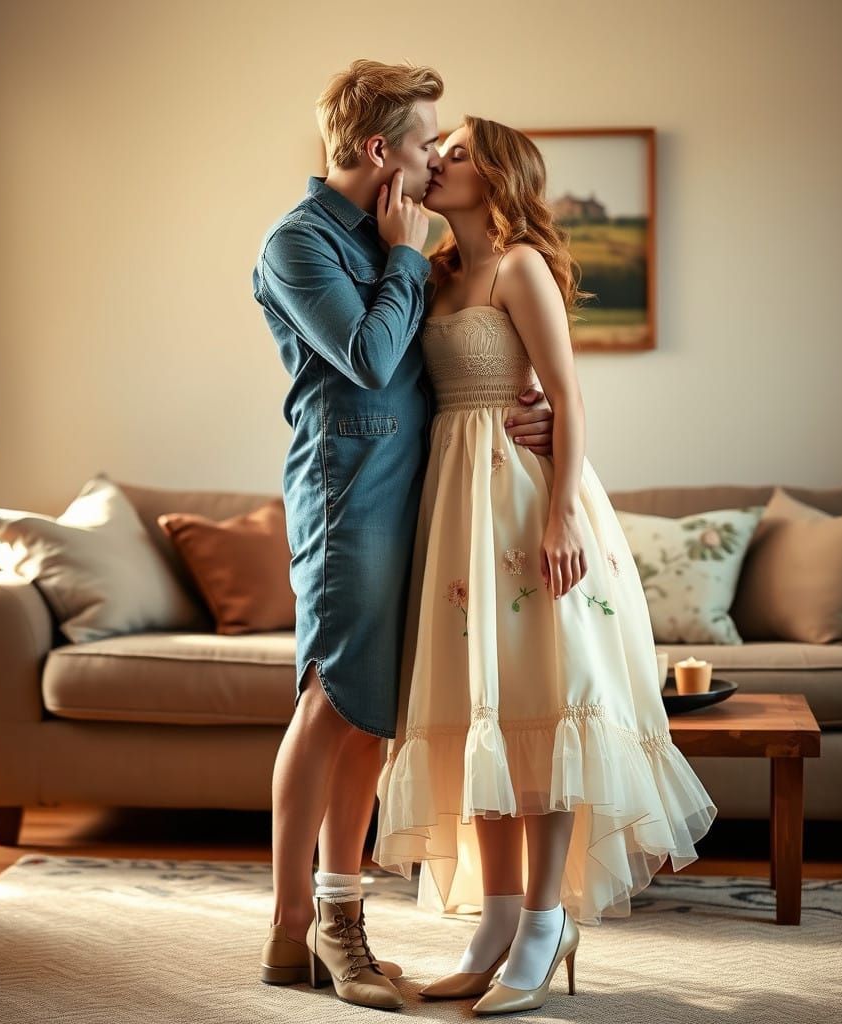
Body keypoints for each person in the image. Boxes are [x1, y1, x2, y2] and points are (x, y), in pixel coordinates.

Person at [373, 116, 718, 1016]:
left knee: (540, 705)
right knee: (480, 710)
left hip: (528, 508)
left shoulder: (520, 265)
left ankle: (542, 922)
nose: (438, 162)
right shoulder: (434, 271)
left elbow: (566, 398)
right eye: (434, 151)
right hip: (453, 511)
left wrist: (561, 516)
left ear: (499, 174)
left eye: (456, 152)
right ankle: (490, 926)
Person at [250, 61, 556, 1011]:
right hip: (348, 498)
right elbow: (374, 357)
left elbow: (463, 360)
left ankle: (343, 919)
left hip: (424, 498)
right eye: (428, 142)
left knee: (374, 716)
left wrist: (530, 407)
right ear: (381, 151)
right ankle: (295, 928)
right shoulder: (299, 245)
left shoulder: (419, 254)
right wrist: (400, 255)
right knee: (330, 702)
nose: (436, 157)